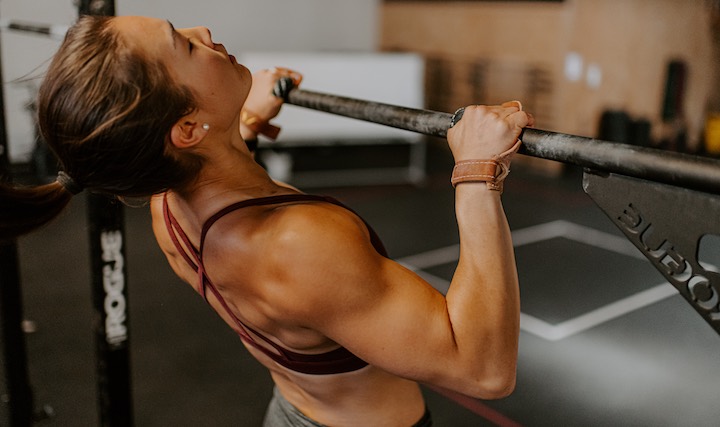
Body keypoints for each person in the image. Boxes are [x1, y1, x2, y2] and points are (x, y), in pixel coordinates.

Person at [0, 15, 534, 427]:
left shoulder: (168, 207)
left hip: (292, 411)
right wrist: (476, 172)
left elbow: (217, 165)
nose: (202, 31)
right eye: (183, 44)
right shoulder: (296, 245)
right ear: (187, 128)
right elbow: (482, 369)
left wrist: (246, 120)